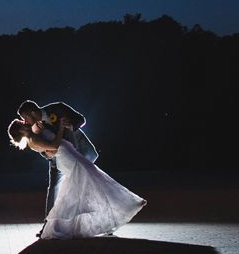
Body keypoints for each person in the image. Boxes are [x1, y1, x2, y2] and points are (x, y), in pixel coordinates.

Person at [8, 101, 145, 239]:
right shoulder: (32, 130)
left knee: (85, 186)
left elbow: (81, 119)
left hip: (78, 151)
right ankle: (50, 225)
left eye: (25, 117)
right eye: (22, 120)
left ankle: (94, 221)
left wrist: (71, 125)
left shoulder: (57, 108)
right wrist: (49, 155)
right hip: (60, 159)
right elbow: (42, 147)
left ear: (32, 112)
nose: (24, 121)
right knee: (58, 188)